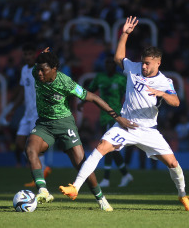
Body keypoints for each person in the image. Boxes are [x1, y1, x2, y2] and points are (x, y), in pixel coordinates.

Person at [59, 16, 189, 212]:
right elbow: (117, 58)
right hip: (125, 125)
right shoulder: (134, 68)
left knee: (173, 163)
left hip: (149, 130)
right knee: (101, 147)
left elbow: (176, 102)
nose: (144, 67)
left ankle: (182, 195)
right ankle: (75, 187)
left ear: (158, 62)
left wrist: (163, 94)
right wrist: (124, 34)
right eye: (143, 63)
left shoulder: (165, 82)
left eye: (148, 64)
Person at [24, 50, 135, 211]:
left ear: (54, 68)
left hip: (65, 125)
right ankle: (43, 191)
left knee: (82, 165)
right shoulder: (35, 72)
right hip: (44, 124)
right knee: (30, 149)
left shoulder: (66, 83)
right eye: (38, 69)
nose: (39, 73)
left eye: (43, 70)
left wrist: (117, 118)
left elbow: (94, 98)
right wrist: (41, 54)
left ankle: (101, 199)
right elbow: (34, 63)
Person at [83, 53, 133, 187]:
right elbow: (90, 91)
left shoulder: (121, 79)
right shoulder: (100, 78)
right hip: (104, 117)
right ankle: (126, 174)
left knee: (108, 145)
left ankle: (106, 178)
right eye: (107, 63)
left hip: (116, 116)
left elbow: (129, 94)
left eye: (112, 63)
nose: (109, 65)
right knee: (113, 148)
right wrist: (81, 103)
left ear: (115, 65)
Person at [3, 43, 51, 184]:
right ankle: (42, 167)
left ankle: (40, 176)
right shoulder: (24, 70)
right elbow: (23, 93)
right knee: (19, 144)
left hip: (38, 113)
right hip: (27, 113)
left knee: (34, 145)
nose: (28, 56)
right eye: (26, 54)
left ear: (34, 55)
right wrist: (13, 109)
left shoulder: (39, 69)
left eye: (31, 54)